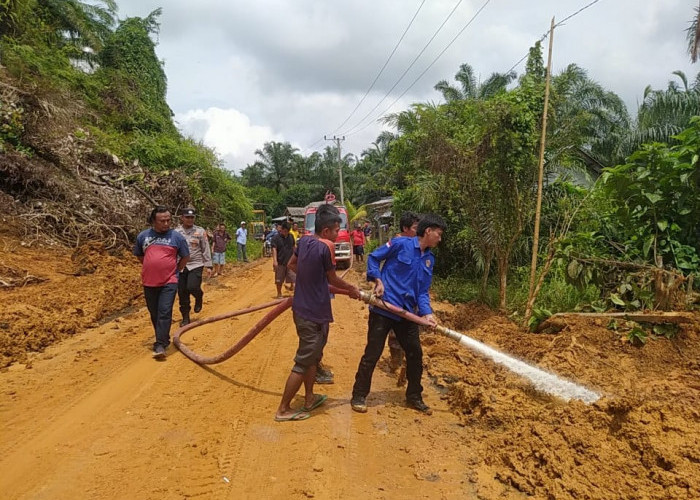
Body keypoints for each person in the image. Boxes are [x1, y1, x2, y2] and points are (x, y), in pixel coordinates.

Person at [351, 214, 447, 415]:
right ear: (428, 231)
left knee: (415, 354)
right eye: (438, 234)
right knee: (373, 353)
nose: (440, 239)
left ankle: (414, 396)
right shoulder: (400, 244)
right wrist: (378, 280)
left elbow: (422, 292)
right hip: (383, 308)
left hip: (406, 313)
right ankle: (359, 395)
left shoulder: (429, 259)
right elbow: (374, 258)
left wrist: (427, 313)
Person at [275, 204, 361, 422]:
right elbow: (333, 279)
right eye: (334, 231)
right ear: (325, 232)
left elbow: (291, 264)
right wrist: (351, 289)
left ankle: (310, 397)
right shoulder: (326, 247)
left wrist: (309, 280)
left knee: (312, 358)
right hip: (312, 312)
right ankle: (283, 410)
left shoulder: (303, 241)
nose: (336, 235)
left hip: (303, 309)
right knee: (303, 362)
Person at [133, 206, 190, 359]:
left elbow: (185, 257)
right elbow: (139, 255)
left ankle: (160, 344)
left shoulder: (176, 237)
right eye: (162, 221)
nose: (166, 223)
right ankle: (162, 338)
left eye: (168, 220)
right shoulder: (143, 236)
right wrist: (152, 266)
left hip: (169, 281)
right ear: (153, 221)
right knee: (155, 313)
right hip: (149, 282)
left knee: (164, 311)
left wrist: (176, 270)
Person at [388, 211, 422, 371]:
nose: (419, 231)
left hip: (412, 298)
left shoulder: (419, 246)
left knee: (411, 333)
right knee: (395, 332)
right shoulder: (396, 243)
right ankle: (397, 363)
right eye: (416, 227)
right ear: (405, 228)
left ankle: (407, 363)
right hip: (396, 298)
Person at [175, 208, 213, 327]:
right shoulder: (176, 232)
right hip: (181, 265)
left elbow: (205, 248)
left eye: (192, 217)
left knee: (192, 286)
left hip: (196, 264)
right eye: (187, 217)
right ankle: (185, 317)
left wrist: (208, 265)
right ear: (182, 218)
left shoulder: (200, 231)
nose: (190, 220)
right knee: (182, 292)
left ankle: (199, 296)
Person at [271, 221, 296, 299]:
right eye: (285, 231)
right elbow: (274, 249)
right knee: (279, 279)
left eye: (287, 231)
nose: (286, 233)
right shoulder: (276, 238)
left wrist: (296, 258)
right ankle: (279, 293)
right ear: (281, 229)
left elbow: (293, 247)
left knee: (294, 278)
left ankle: (295, 292)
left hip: (290, 262)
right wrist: (275, 261)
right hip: (280, 262)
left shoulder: (291, 237)